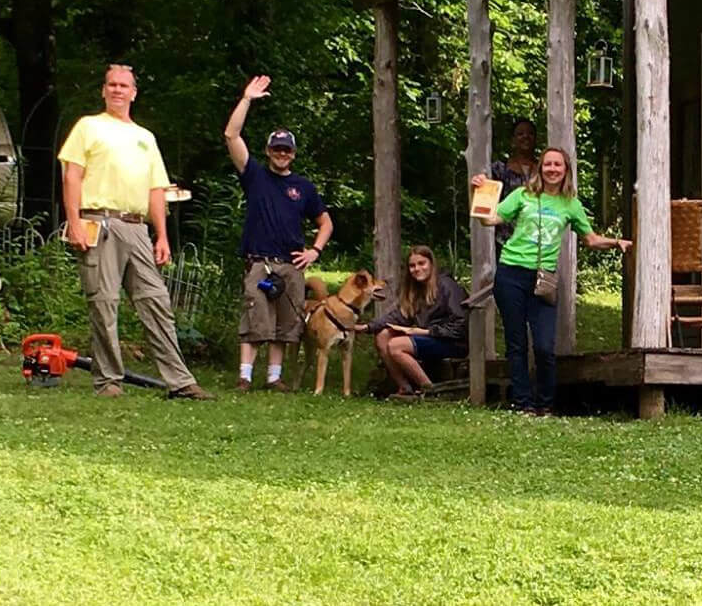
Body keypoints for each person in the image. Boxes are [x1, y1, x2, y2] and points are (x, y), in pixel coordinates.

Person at [58, 64, 214, 399]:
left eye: (123, 85)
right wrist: (74, 222)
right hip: (98, 223)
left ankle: (181, 382)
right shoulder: (88, 127)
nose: (117, 90)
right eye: (111, 84)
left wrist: (161, 236)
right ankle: (108, 382)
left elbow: (156, 189)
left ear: (133, 93)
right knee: (104, 304)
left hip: (137, 228)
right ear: (103, 91)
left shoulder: (146, 137)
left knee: (156, 301)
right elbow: (71, 176)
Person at [472, 146, 630, 414]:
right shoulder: (523, 195)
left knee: (544, 346)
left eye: (558, 165)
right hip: (511, 273)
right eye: (548, 165)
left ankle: (546, 404)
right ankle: (523, 403)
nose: (553, 170)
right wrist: (477, 191)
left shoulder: (571, 204)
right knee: (517, 342)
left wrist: (616, 242)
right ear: (540, 169)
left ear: (566, 170)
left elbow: (590, 239)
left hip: (543, 279)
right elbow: (489, 220)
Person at [223, 75, 333, 393]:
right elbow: (231, 135)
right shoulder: (254, 175)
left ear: (293, 154)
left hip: (291, 263)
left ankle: (274, 378)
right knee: (255, 319)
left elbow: (325, 222)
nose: (281, 154)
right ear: (268, 151)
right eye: (277, 149)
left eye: (287, 150)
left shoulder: (304, 187)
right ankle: (244, 377)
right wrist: (246, 99)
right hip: (259, 262)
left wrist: (315, 251)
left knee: (286, 325)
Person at [358, 245, 468, 400]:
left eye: (421, 263)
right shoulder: (415, 289)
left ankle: (431, 391)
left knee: (396, 345)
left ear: (431, 264)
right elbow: (398, 316)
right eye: (412, 265)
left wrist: (424, 332)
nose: (417, 269)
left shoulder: (447, 286)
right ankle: (405, 387)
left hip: (452, 342)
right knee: (383, 336)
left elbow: (460, 325)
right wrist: (368, 327)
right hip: (431, 338)